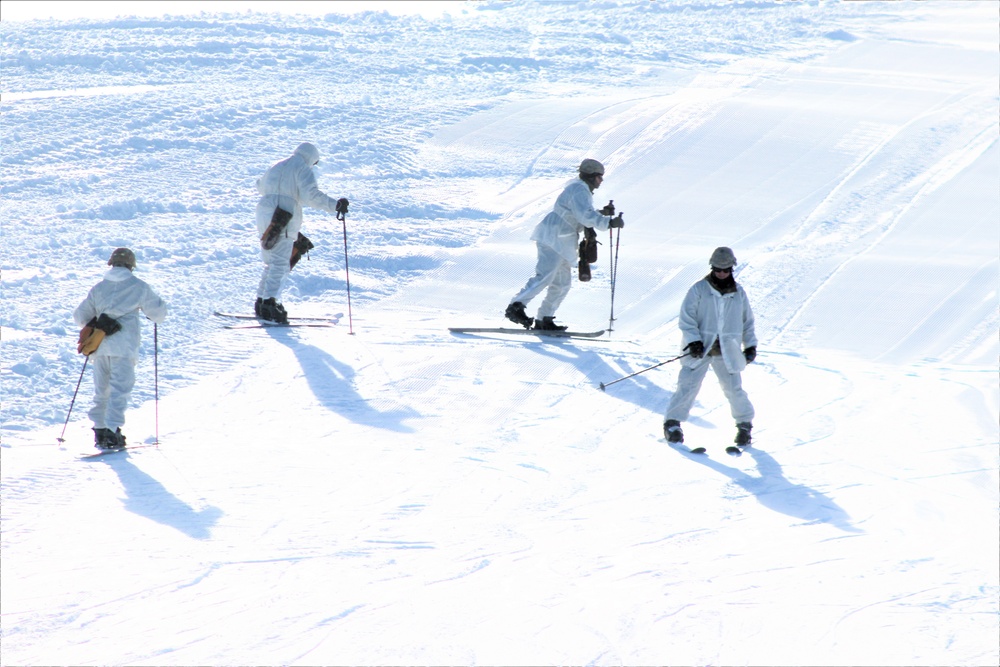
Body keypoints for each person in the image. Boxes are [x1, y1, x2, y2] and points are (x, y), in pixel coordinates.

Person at [505, 158, 624, 331]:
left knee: (562, 284)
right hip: (554, 236)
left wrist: (602, 214)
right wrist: (608, 222)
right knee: (545, 276)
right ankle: (515, 307)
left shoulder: (581, 190)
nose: (601, 180)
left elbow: (579, 214)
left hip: (562, 239)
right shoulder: (578, 190)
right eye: (599, 176)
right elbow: (585, 216)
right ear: (591, 176)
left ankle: (544, 319)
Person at [74, 248, 168, 450]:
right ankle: (112, 431)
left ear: (111, 265)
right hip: (124, 347)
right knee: (119, 390)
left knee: (102, 391)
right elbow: (158, 313)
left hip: (99, 347)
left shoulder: (99, 288)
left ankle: (99, 430)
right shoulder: (138, 287)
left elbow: (80, 317)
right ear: (131, 266)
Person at [663, 247, 757, 446]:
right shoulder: (699, 289)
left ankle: (744, 426)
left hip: (727, 350)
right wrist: (693, 341)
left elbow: (747, 322)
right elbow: (686, 319)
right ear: (712, 268)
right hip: (700, 350)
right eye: (717, 269)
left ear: (732, 269)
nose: (721, 273)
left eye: (725, 270)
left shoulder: (739, 293)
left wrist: (750, 346)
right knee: (687, 386)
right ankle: (672, 424)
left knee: (733, 389)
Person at [254, 142, 348, 323]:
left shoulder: (278, 164)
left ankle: (261, 302)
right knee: (281, 261)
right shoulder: (302, 169)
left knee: (271, 260)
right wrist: (335, 205)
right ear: (311, 159)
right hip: (284, 214)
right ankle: (270, 304)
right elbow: (311, 195)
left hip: (264, 212)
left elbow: (260, 185)